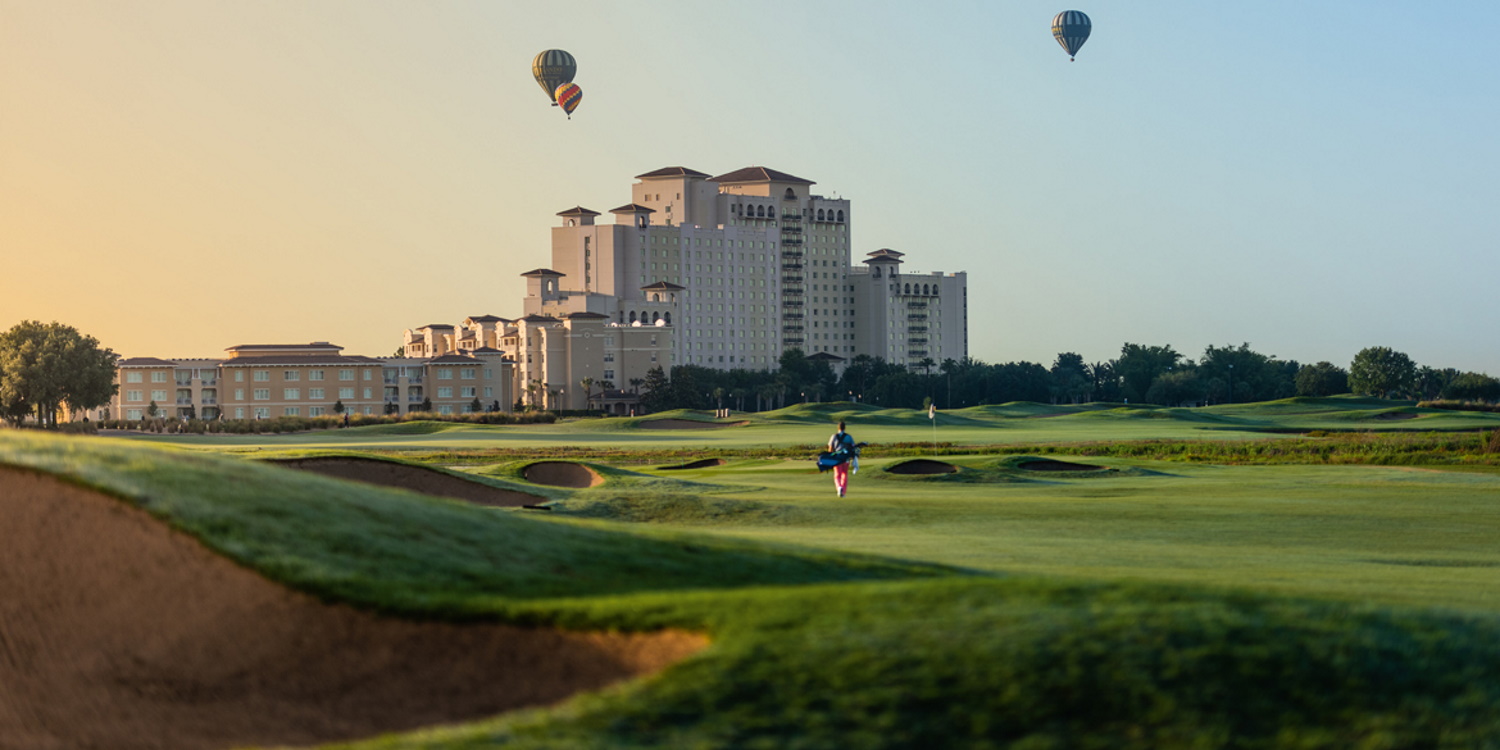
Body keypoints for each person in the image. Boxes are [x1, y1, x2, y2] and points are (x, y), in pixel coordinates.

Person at [828, 420, 856, 497]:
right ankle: (843, 492)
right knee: (844, 474)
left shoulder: (834, 436)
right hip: (846, 458)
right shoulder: (849, 437)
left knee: (837, 475)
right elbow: (853, 447)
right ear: (844, 428)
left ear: (838, 427)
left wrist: (830, 457)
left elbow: (830, 449)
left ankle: (839, 488)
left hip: (837, 458)